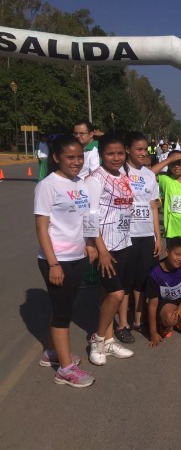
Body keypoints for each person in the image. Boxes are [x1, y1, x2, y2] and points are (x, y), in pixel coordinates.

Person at [35, 135, 96, 387]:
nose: (76, 162)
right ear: (56, 157)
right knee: (63, 312)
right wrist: (53, 264)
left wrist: (90, 244)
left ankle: (52, 352)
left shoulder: (80, 183)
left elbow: (86, 217)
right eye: (70, 157)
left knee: (65, 306)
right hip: (57, 259)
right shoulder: (48, 185)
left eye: (80, 157)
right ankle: (65, 369)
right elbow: (41, 227)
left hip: (77, 256)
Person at [85, 133, 135, 365]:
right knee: (116, 294)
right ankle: (97, 339)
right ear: (101, 154)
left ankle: (108, 339)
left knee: (109, 293)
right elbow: (90, 216)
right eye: (110, 153)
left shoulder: (123, 175)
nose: (116, 158)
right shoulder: (95, 179)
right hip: (105, 246)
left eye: (120, 153)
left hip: (123, 242)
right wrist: (101, 250)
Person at [115, 132, 161, 343]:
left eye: (145, 149)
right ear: (128, 150)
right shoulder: (119, 172)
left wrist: (157, 237)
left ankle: (138, 320)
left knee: (142, 280)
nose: (143, 153)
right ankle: (123, 324)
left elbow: (153, 207)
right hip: (125, 235)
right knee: (125, 281)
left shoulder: (149, 175)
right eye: (139, 149)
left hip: (146, 235)